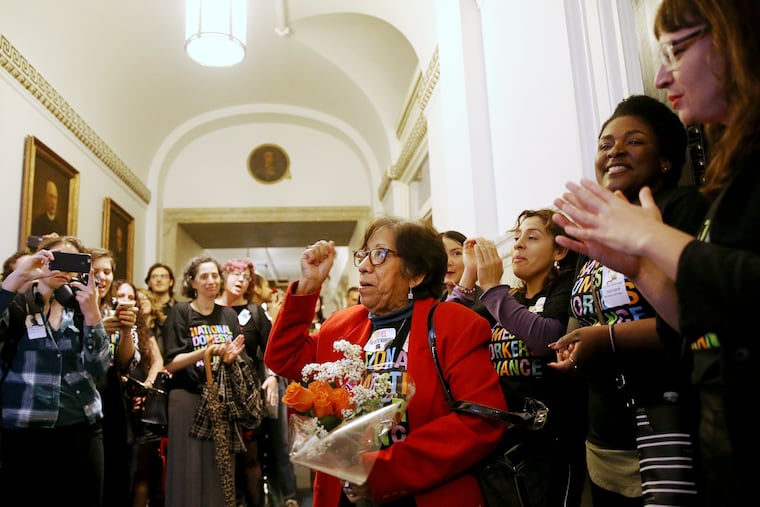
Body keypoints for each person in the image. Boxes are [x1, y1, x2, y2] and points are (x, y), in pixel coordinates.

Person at [552, 2, 760, 505]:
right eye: (605, 143)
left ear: (737, 39)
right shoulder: (730, 181)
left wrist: (649, 241)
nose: (664, 74)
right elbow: (699, 319)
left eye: (677, 49)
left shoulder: (680, 208)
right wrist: (640, 266)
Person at [264, 216, 508, 507]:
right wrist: (308, 286)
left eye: (380, 255)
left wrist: (382, 471)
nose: (365, 265)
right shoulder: (341, 326)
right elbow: (284, 358)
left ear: (415, 273)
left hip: (424, 492)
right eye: (363, 254)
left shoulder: (455, 324)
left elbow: (480, 420)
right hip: (345, 496)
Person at [550, 94, 708, 505]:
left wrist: (607, 340)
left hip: (668, 417)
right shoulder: (598, 230)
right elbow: (582, 308)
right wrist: (573, 344)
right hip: (605, 428)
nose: (615, 150)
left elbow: (698, 315)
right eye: (605, 144)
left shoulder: (680, 210)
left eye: (634, 141)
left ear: (665, 160)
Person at [447, 210, 586, 507]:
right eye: (517, 236)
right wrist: (470, 274)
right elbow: (449, 328)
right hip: (506, 445)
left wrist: (493, 290)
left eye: (532, 237)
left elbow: (548, 340)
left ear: (560, 250)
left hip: (552, 445)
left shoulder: (563, 290)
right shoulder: (511, 298)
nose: (518, 244)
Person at [0, 235, 110, 506]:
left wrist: (93, 314)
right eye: (55, 258)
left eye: (71, 261)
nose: (62, 267)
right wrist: (20, 275)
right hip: (22, 430)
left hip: (80, 429)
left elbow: (99, 367)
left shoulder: (82, 306)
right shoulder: (17, 302)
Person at [162, 255, 246, 507]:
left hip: (220, 400)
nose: (211, 281)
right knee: (187, 463)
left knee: (218, 464)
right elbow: (171, 363)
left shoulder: (228, 316)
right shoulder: (181, 312)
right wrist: (206, 351)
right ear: (193, 282)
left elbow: (234, 359)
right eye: (204, 276)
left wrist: (230, 357)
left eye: (214, 276)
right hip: (186, 397)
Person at [216, 258, 273, 507]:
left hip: (248, 394)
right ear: (222, 276)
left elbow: (272, 350)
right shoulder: (210, 310)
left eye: (246, 276)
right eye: (235, 274)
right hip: (216, 394)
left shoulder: (255, 311)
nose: (240, 280)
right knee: (222, 460)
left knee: (251, 459)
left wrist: (271, 377)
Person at [91, 249, 139, 507]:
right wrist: (97, 329)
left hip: (112, 401)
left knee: (117, 479)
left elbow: (125, 363)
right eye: (94, 271)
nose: (101, 277)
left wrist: (127, 330)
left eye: (107, 272)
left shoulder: (113, 310)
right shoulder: (72, 309)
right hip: (83, 399)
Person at [251, 272, 299, 507]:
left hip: (274, 383)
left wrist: (273, 376)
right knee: (258, 445)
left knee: (280, 444)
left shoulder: (268, 317)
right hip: (253, 384)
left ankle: (289, 497)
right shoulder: (246, 313)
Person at [440, 230, 494, 326]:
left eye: (456, 253)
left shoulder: (486, 304)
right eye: (441, 255)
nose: (448, 262)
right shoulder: (434, 302)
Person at [144, 263, 176, 352]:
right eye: (154, 277)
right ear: (149, 283)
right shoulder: (144, 309)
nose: (159, 280)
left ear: (171, 282)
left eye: (163, 276)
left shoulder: (180, 309)